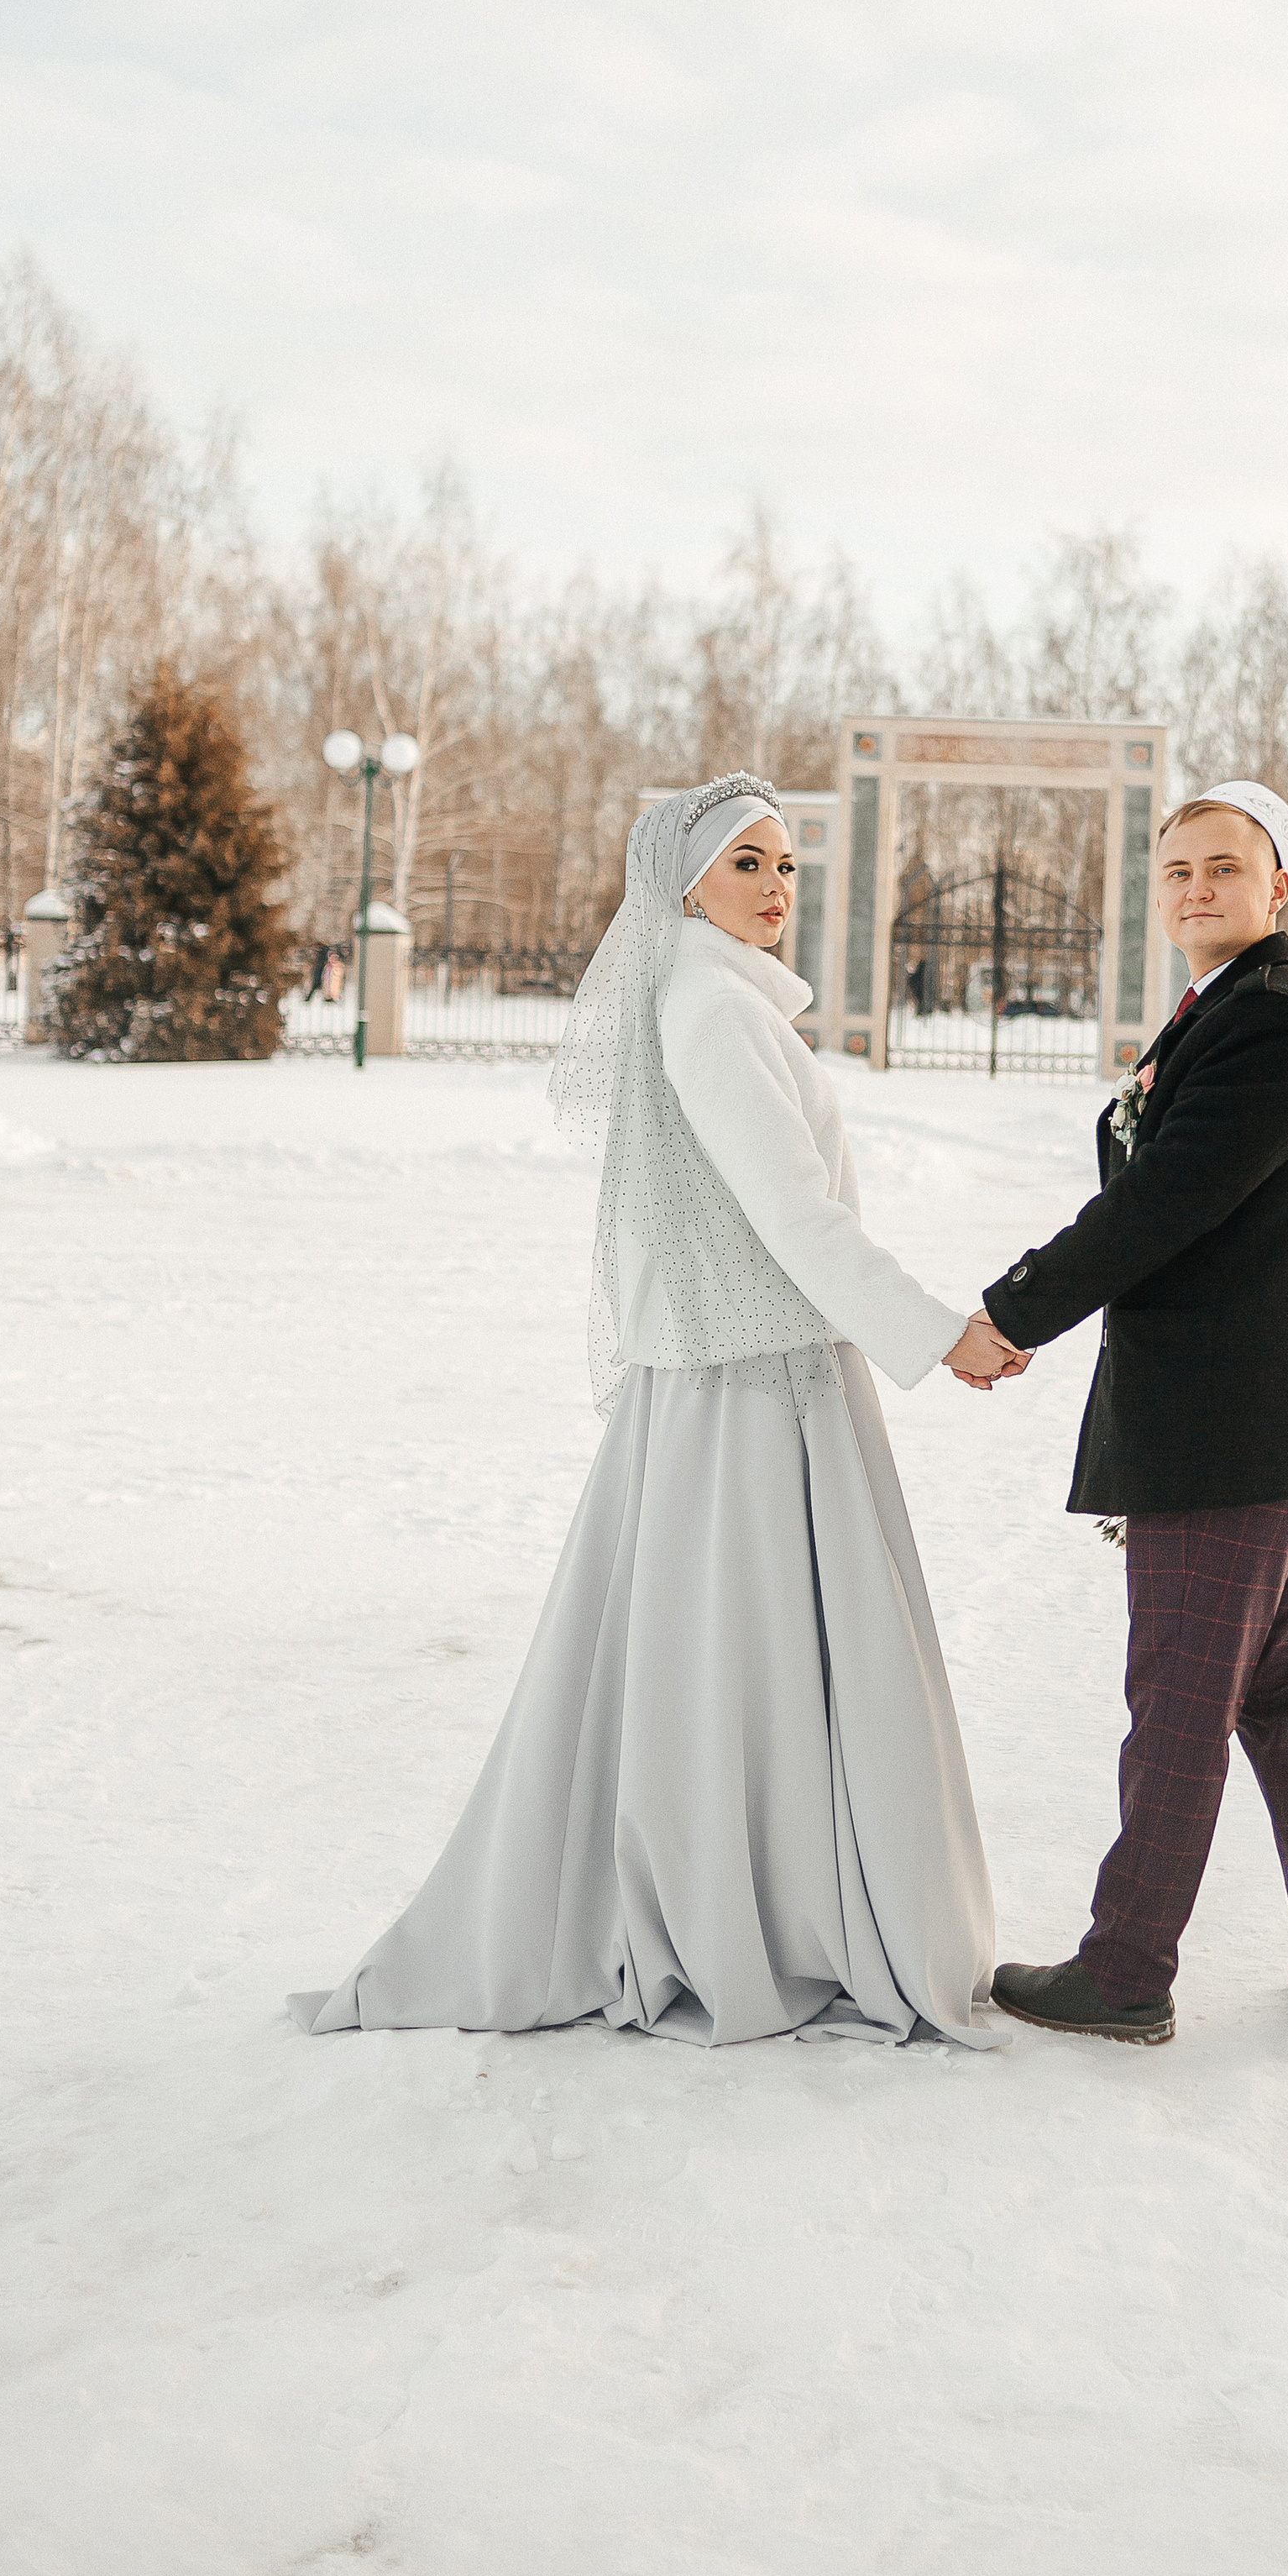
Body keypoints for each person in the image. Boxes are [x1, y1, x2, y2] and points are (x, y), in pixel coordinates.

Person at [290, 775, 1025, 2053]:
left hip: (743, 1380)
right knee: (745, 1652)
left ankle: (766, 1900)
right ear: (685, 883)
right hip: (755, 1392)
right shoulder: (715, 1012)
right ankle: (754, 1915)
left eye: (788, 867)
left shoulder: (717, 1002)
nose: (777, 888)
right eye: (749, 863)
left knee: (729, 1658)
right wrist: (933, 1331)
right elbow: (797, 1218)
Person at [979, 781, 1288, 2050]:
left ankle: (1127, 1968)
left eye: (1225, 868)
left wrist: (1016, 1310)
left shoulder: (1271, 1029)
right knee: (1279, 1696)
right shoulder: (1227, 1014)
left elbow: (1164, 1206)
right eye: (1178, 872)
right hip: (1266, 1428)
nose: (1198, 889)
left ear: (1280, 890)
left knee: (1180, 1703)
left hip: (1229, 1435)